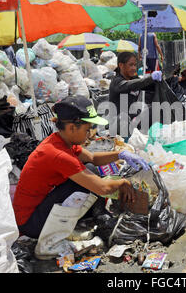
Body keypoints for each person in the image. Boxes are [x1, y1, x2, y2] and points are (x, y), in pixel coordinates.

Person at [12, 95, 150, 260]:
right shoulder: (58, 154)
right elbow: (102, 188)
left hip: (38, 209)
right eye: (88, 128)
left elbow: (92, 158)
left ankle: (77, 222)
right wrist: (123, 182)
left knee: (91, 169)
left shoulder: (60, 141)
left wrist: (121, 154)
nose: (91, 134)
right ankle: (50, 243)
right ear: (71, 128)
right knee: (85, 182)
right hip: (31, 223)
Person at [109, 52, 162, 117]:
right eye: (131, 65)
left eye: (135, 65)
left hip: (132, 118)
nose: (134, 68)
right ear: (121, 65)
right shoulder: (116, 82)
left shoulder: (133, 78)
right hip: (118, 122)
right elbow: (130, 85)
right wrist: (150, 78)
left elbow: (146, 85)